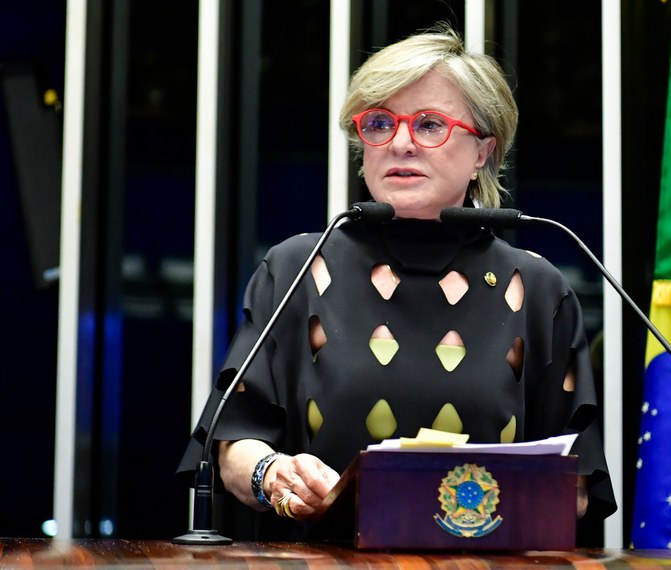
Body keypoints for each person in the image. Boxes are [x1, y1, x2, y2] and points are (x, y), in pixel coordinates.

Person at [178, 23, 616, 540]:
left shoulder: (537, 289)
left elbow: (575, 488)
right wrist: (273, 473)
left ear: (482, 152)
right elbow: (232, 443)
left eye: (429, 125)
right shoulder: (298, 267)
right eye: (380, 123)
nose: (401, 143)